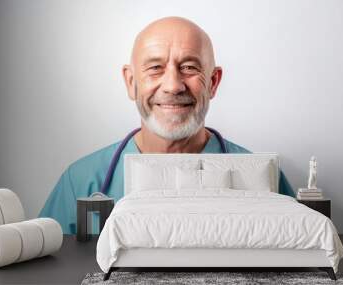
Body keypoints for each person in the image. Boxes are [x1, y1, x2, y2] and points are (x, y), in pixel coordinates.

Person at [39, 17, 295, 234]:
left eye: (189, 67)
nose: (173, 85)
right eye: (155, 68)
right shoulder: (81, 181)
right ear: (130, 82)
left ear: (214, 82)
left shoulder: (264, 176)